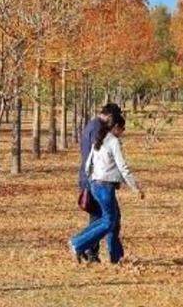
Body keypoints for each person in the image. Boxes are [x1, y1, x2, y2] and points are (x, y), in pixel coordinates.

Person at [69, 113, 144, 264]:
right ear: (116, 127)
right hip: (104, 186)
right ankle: (78, 243)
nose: (122, 132)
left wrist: (89, 181)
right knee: (109, 221)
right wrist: (135, 187)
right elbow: (123, 167)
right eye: (122, 129)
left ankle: (116, 257)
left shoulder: (100, 138)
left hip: (96, 183)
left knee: (111, 220)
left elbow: (89, 162)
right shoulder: (113, 141)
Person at [78, 103, 122, 262]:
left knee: (99, 218)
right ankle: (85, 248)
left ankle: (90, 250)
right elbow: (99, 158)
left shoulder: (92, 125)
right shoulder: (98, 129)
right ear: (110, 116)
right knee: (109, 220)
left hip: (92, 178)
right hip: (97, 180)